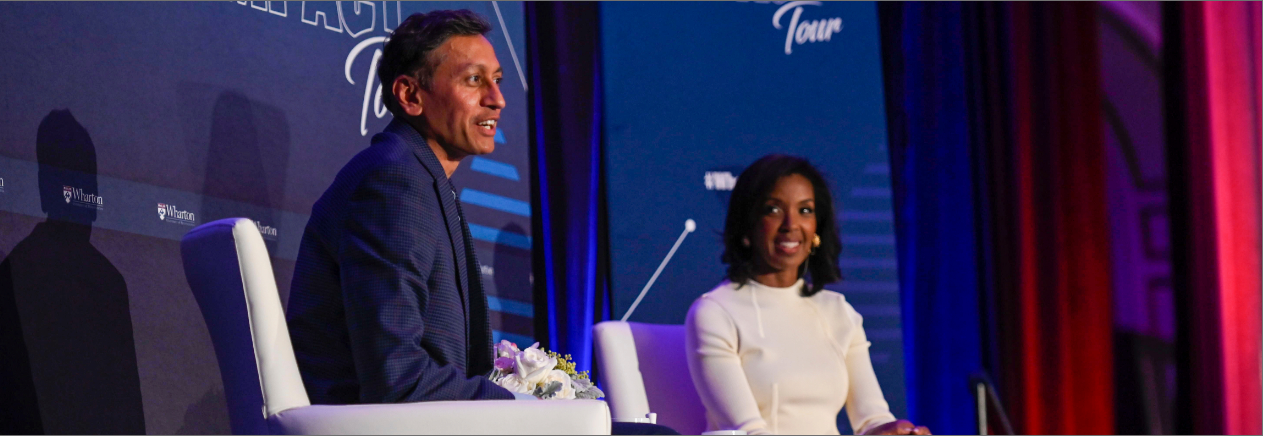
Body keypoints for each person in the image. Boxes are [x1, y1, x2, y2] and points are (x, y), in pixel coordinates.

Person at [284, 9, 676, 434]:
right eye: (474, 80)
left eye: (498, 80)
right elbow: (397, 375)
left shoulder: (417, 178)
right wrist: (522, 406)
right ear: (411, 95)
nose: (498, 99)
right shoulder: (394, 181)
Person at [685, 154, 930, 435]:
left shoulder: (837, 311)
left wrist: (894, 431)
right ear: (747, 226)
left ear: (817, 229)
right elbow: (747, 430)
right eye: (773, 209)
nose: (791, 224)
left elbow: (871, 420)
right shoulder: (716, 312)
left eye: (805, 210)